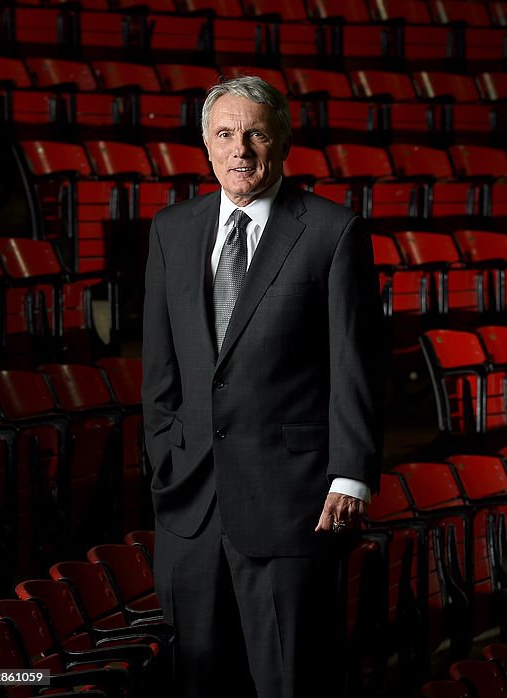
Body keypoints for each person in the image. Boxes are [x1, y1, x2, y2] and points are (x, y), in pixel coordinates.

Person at [141, 75, 384, 698]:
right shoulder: (171, 230)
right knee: (193, 680)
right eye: (225, 134)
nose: (240, 148)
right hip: (189, 502)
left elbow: (354, 362)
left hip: (292, 502)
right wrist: (166, 456)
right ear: (205, 145)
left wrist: (349, 473)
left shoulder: (333, 231)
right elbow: (159, 370)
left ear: (282, 140)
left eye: (254, 132)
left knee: (291, 679)